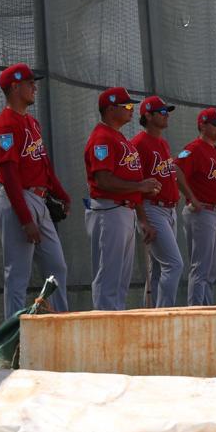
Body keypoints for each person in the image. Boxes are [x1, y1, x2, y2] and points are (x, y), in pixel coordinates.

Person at [0, 62, 70, 317]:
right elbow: (9, 176)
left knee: (57, 267)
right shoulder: (6, 126)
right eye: (29, 83)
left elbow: (43, 164)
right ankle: (15, 334)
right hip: (17, 199)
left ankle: (60, 327)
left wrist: (61, 194)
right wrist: (25, 219)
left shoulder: (31, 122)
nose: (34, 87)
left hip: (39, 200)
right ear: (15, 87)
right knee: (17, 275)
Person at [84, 87, 159, 310]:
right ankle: (103, 326)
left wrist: (142, 205)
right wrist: (140, 186)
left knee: (120, 280)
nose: (131, 109)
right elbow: (103, 180)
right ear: (110, 109)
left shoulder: (119, 137)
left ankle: (115, 324)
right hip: (109, 210)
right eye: (126, 105)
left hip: (125, 210)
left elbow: (127, 178)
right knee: (109, 277)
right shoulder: (102, 138)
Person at [131, 96, 199, 307]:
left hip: (169, 210)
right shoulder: (138, 144)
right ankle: (163, 314)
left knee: (160, 268)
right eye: (162, 112)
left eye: (166, 111)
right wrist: (143, 219)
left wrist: (189, 195)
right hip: (152, 209)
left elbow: (173, 172)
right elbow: (134, 184)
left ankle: (151, 315)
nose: (166, 115)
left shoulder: (162, 143)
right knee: (174, 264)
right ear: (148, 116)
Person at [177, 108, 216, 306]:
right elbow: (176, 170)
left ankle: (206, 310)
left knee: (210, 271)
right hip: (203, 213)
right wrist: (192, 197)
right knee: (200, 268)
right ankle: (195, 312)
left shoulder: (215, 150)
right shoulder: (194, 148)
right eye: (215, 124)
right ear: (202, 125)